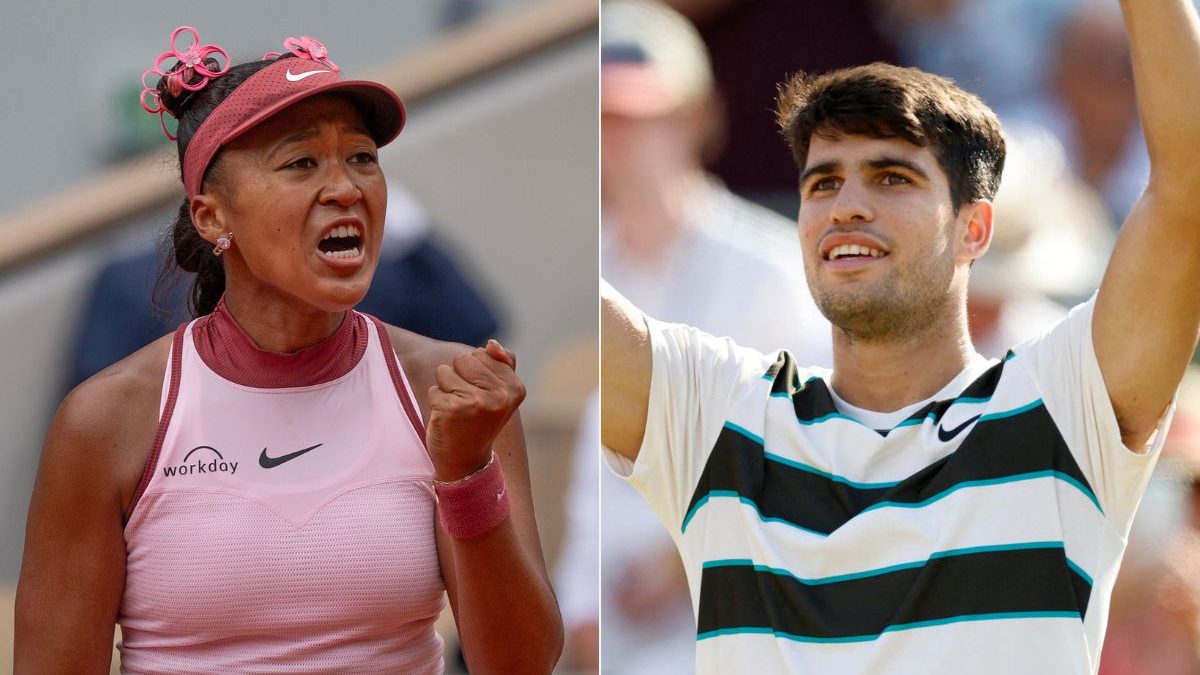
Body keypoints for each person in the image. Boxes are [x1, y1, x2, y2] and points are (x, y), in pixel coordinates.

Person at [600, 1, 1200, 673]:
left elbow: (1185, 192)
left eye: (892, 177)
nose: (846, 205)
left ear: (974, 229)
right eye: (823, 182)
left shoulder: (1063, 405)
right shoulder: (718, 412)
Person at [15, 26, 561, 673]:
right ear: (212, 217)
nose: (346, 187)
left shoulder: (446, 394)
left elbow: (521, 663)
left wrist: (467, 470)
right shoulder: (106, 420)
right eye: (302, 163)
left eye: (362, 157)